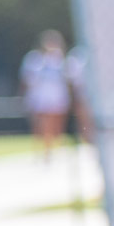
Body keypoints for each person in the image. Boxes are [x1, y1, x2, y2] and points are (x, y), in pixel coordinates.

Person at [22, 29, 74, 160]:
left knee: (57, 124)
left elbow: (69, 80)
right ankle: (44, 151)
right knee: (42, 124)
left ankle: (56, 148)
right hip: (41, 98)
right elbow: (28, 80)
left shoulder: (61, 60)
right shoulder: (35, 59)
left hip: (57, 97)